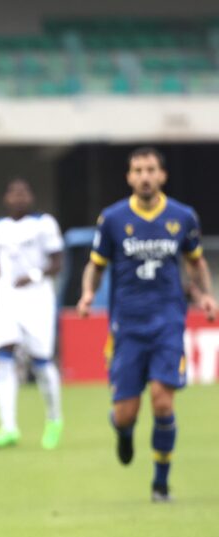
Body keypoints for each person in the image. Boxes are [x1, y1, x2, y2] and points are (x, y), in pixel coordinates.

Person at [77, 146, 215, 502]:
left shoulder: (183, 217)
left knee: (163, 403)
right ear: (129, 177)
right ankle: (123, 431)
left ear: (162, 175)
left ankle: (160, 483)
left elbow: (195, 262)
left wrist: (205, 295)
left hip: (168, 323)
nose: (144, 176)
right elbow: (96, 264)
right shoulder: (112, 218)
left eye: (151, 169)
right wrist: (88, 294)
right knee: (126, 414)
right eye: (138, 170)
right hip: (127, 329)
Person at [0, 178, 64, 450]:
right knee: (3, 354)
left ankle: (54, 419)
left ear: (31, 197)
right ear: (6, 198)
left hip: (37, 298)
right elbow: (0, 262)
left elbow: (57, 261)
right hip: (7, 298)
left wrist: (33, 275)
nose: (19, 197)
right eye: (14, 193)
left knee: (41, 360)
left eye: (24, 192)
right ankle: (8, 426)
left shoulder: (44, 223)